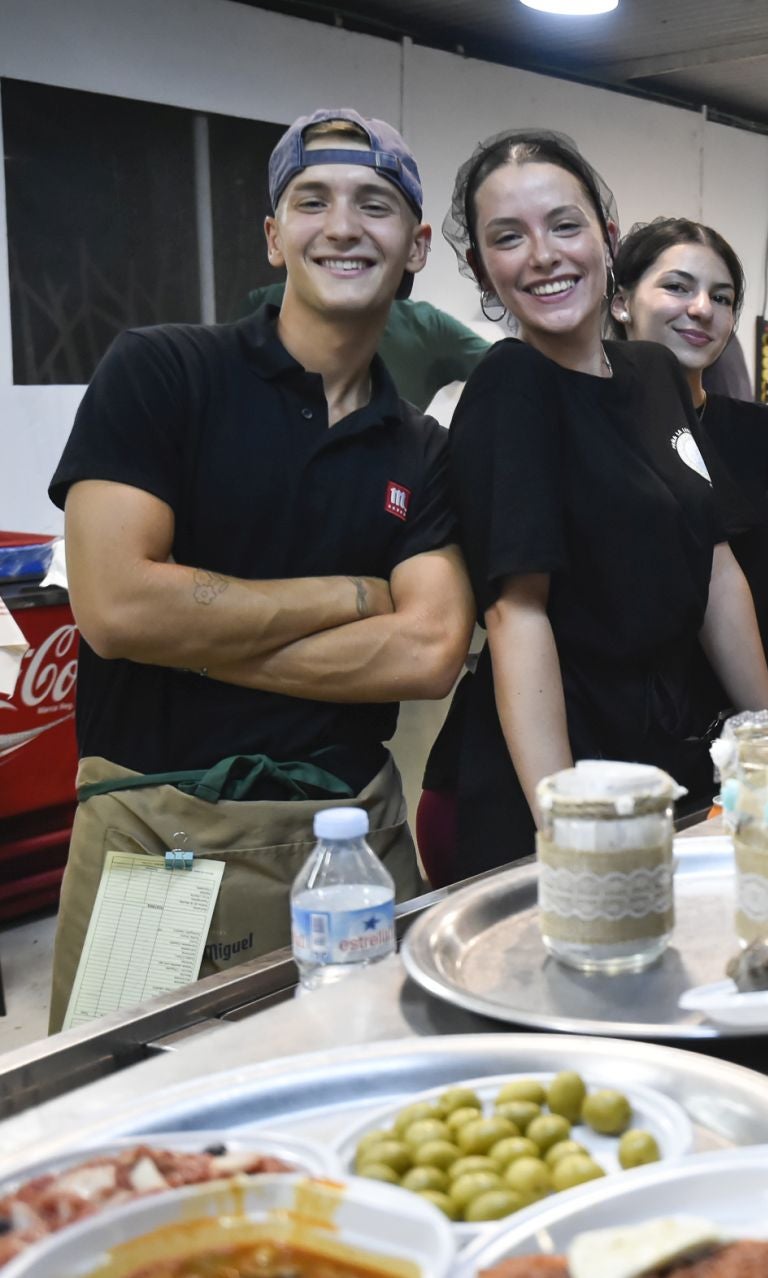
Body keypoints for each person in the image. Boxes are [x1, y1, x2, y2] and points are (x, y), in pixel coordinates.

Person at [45, 109, 472, 1030]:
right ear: (276, 238)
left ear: (418, 246)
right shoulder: (162, 374)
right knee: (139, 1134)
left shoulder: (421, 448)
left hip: (356, 843)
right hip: (155, 847)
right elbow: (116, 607)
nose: (344, 225)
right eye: (311, 201)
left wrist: (189, 637)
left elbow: (431, 650)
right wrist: (352, 596)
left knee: (375, 1106)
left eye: (377, 204)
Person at [427, 130, 768, 880]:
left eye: (564, 224)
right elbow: (514, 615)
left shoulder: (651, 370)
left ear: (606, 238)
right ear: (482, 269)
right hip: (561, 776)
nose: (543, 255)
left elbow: (714, 569)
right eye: (507, 238)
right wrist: (567, 827)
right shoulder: (509, 386)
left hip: (668, 758)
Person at [611, 217, 768, 715]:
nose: (701, 310)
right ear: (621, 302)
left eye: (722, 297)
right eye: (677, 287)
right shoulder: (592, 425)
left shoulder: (763, 431)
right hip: (622, 727)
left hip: (743, 723)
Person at [238, 282, 491, 410]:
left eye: (373, 209)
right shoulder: (264, 305)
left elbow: (505, 367)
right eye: (316, 204)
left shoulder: (425, 327)